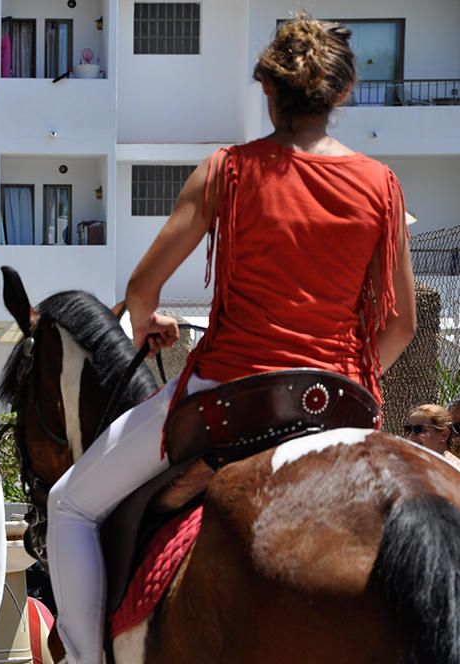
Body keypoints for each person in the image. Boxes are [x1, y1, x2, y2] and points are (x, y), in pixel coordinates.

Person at [45, 13, 417, 664]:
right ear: (343, 95)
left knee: (68, 504)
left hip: (231, 397)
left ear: (268, 91)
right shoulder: (382, 186)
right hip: (344, 400)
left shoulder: (229, 169)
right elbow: (402, 325)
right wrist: (346, 377)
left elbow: (142, 286)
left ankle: (80, 658)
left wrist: (146, 324)